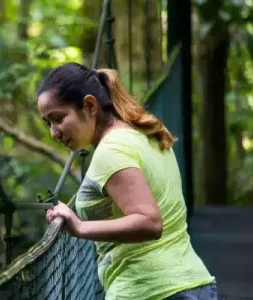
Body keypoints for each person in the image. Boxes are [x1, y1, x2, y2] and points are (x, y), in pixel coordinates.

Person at [37, 62, 217, 300]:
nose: (54, 132)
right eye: (47, 123)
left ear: (89, 106)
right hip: (193, 285)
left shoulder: (111, 152)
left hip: (149, 291)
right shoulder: (145, 132)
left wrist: (80, 227)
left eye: (58, 118)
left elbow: (150, 223)